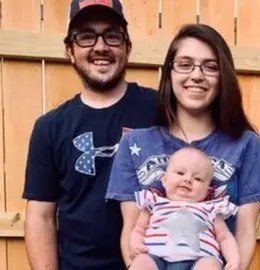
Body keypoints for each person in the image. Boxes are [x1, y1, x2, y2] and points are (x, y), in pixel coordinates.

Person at [106, 24, 260, 270]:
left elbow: (244, 233)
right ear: (169, 72)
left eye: (210, 67)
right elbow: (132, 231)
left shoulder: (246, 145)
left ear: (224, 77)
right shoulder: (134, 143)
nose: (196, 75)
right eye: (185, 64)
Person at [22, 0, 157, 269]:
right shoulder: (49, 127)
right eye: (86, 37)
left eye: (112, 35)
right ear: (69, 51)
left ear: (127, 48)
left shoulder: (161, 110)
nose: (100, 46)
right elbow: (41, 217)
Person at [128, 147, 240, 270]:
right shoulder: (153, 202)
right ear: (164, 180)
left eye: (197, 178)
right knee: (141, 261)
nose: (187, 179)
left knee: (210, 264)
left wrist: (233, 259)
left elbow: (224, 237)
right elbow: (138, 229)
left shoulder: (211, 208)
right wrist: (135, 244)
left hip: (198, 261)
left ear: (207, 191)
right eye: (180, 173)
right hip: (156, 258)